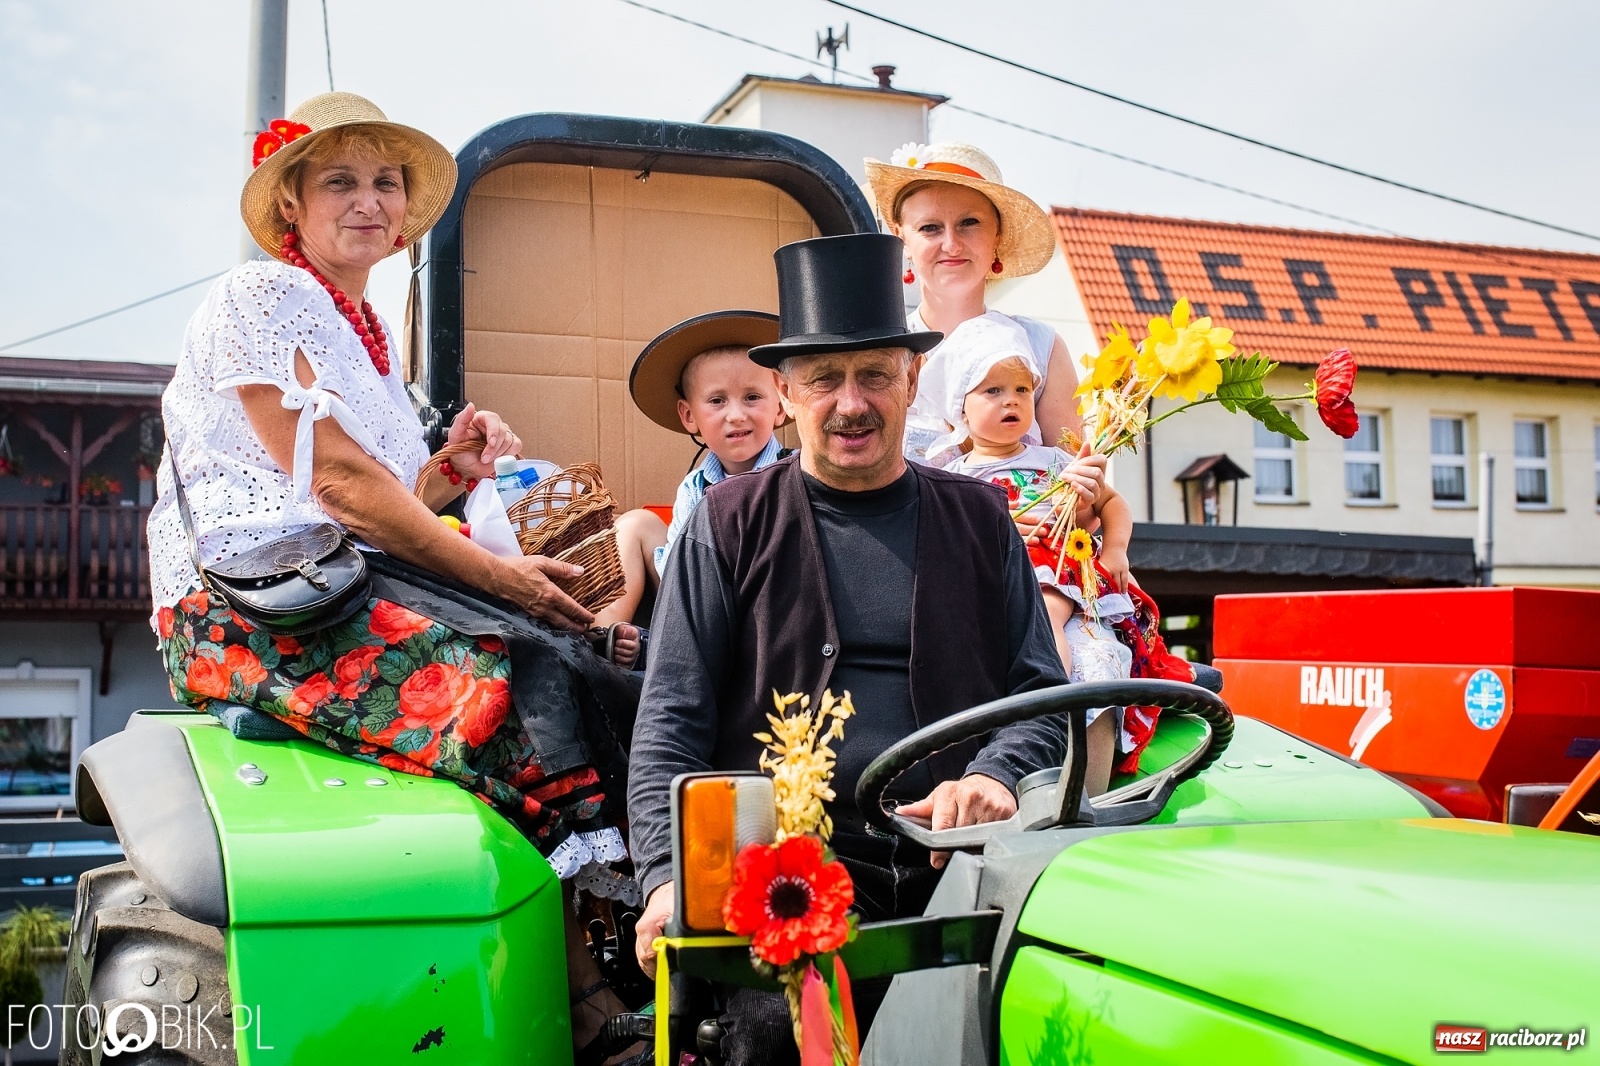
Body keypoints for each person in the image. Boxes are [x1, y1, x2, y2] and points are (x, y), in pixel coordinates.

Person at [146, 92, 642, 1064]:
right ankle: (587, 995)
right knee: (530, 673)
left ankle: (613, 955)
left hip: (330, 580)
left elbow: (394, 501)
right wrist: (504, 580)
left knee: (599, 662)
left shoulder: (365, 337)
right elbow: (336, 483)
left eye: (386, 182)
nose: (369, 200)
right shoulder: (263, 297)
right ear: (291, 205)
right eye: (341, 180)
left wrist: (448, 478)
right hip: (248, 609)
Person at [627, 233, 1073, 1062]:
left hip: (962, 882)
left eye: (874, 375)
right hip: (781, 894)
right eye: (825, 380)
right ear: (788, 393)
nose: (852, 403)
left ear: (912, 379)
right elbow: (670, 722)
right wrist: (663, 880)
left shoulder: (980, 520)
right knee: (770, 1039)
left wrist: (993, 775)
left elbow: (1041, 699)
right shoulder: (724, 528)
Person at [928, 312, 1135, 793]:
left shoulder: (1058, 463)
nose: (1012, 402)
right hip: (995, 589)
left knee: (1068, 628)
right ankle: (1041, 724)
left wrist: (1117, 551)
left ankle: (1067, 733)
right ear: (961, 407)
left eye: (1023, 390)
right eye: (993, 391)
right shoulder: (955, 479)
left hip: (1059, 572)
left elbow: (1112, 503)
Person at [591, 311, 787, 669]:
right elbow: (678, 575)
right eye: (717, 401)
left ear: (781, 403)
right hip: (698, 608)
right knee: (635, 523)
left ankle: (659, 651)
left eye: (753, 397)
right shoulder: (695, 487)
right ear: (689, 416)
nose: (736, 415)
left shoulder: (793, 477)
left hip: (766, 619)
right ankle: (603, 635)